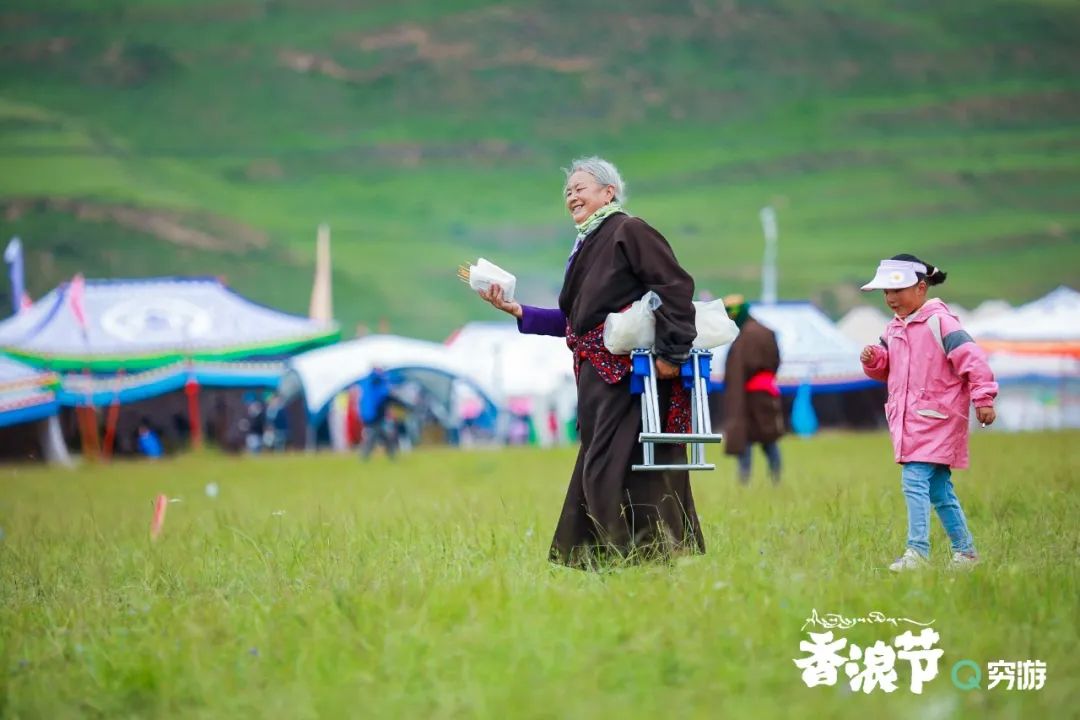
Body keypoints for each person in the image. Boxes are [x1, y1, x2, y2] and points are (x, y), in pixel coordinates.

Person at [477, 156, 705, 568]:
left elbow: (675, 286)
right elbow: (574, 322)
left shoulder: (628, 231)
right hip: (596, 379)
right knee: (617, 467)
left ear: (608, 193)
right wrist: (516, 310)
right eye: (567, 191)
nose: (572, 196)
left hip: (629, 375)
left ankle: (615, 560)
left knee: (609, 469)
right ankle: (638, 562)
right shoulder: (586, 243)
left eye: (580, 187)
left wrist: (673, 354)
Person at [859, 254, 997, 571]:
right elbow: (885, 369)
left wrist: (984, 398)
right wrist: (873, 359)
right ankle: (966, 553)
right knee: (938, 489)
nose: (891, 299)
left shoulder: (941, 323)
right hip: (908, 420)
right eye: (886, 293)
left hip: (938, 419)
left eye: (898, 291)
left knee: (914, 480)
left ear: (921, 288)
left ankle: (917, 552)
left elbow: (973, 362)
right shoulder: (893, 329)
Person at [720, 294, 784, 484]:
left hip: (751, 396)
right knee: (765, 439)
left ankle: (751, 481)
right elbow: (776, 362)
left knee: (760, 439)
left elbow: (738, 370)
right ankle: (769, 481)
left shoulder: (748, 335)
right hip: (761, 394)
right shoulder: (762, 331)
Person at [358, 368, 398, 460]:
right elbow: (388, 398)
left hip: (372, 417)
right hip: (375, 417)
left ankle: (392, 456)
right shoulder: (378, 386)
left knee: (382, 436)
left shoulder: (370, 385)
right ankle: (364, 457)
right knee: (374, 437)